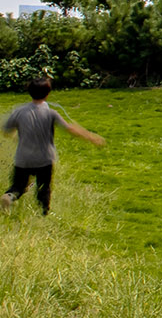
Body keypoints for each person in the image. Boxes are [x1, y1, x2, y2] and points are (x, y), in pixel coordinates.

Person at [2, 75, 105, 215]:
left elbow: (7, 130)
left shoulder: (20, 111)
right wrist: (91, 138)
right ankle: (43, 213)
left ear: (29, 91)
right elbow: (70, 129)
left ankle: (9, 196)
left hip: (23, 158)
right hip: (44, 159)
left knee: (19, 186)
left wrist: (16, 137)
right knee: (44, 188)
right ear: (48, 94)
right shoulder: (51, 113)